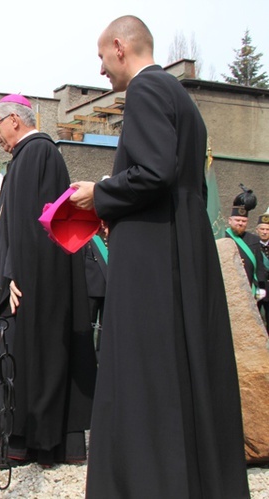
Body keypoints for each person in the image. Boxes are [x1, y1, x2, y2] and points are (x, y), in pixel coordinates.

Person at [69, 15, 249, 497]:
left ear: (120, 46)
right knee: (185, 370)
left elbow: (152, 172)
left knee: (145, 374)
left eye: (102, 57)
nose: (102, 70)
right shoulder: (181, 99)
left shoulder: (146, 91)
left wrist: (99, 193)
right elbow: (168, 178)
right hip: (183, 249)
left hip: (152, 261)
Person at [0, 94, 96, 466]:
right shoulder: (27, 157)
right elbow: (6, 218)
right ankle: (30, 441)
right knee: (25, 358)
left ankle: (31, 443)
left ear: (14, 119)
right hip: (30, 277)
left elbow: (34, 228)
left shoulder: (35, 153)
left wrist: (13, 275)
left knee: (30, 358)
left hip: (31, 282)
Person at [223, 186, 266, 301]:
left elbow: (260, 270)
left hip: (249, 292)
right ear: (230, 220)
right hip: (228, 290)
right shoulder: (222, 238)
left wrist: (260, 295)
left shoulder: (254, 240)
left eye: (244, 221)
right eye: (237, 220)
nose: (240, 223)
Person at [82, 224, 108, 353]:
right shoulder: (86, 231)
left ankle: (101, 357)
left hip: (108, 284)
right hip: (91, 285)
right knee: (88, 325)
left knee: (106, 328)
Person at [257, 209, 269, 331]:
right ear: (257, 230)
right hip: (259, 288)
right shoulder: (253, 245)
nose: (265, 232)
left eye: (267, 229)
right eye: (262, 229)